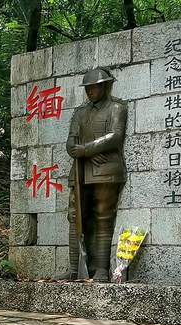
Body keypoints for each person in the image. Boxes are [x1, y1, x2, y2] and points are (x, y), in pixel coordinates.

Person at [65, 68, 127, 281]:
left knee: (103, 218)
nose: (90, 91)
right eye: (88, 88)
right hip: (80, 171)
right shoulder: (80, 112)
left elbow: (115, 136)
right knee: (75, 217)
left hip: (106, 170)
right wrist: (78, 150)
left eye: (94, 87)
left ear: (105, 86)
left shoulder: (117, 107)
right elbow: (71, 141)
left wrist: (86, 149)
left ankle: (100, 268)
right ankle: (74, 268)